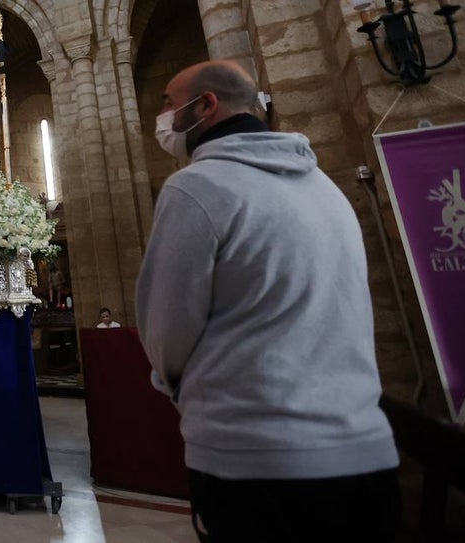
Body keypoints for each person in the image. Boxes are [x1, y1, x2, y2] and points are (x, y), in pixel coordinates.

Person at [136, 60, 399, 542]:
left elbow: (165, 332)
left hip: (258, 459)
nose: (165, 119)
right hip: (366, 451)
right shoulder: (326, 187)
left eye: (170, 105)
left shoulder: (196, 186)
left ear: (206, 105)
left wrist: (186, 392)